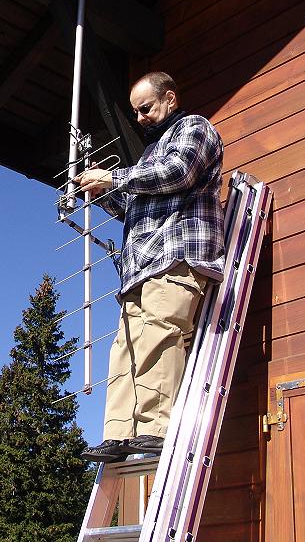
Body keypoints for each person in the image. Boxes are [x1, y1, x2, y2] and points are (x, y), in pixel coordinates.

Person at [75, 72, 225, 463]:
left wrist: (115, 176)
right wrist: (104, 191)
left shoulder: (195, 129)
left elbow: (180, 172)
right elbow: (133, 206)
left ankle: (155, 428)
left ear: (170, 98)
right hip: (141, 266)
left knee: (160, 336)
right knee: (125, 348)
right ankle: (119, 433)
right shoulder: (148, 155)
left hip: (176, 254)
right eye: (135, 111)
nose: (139, 117)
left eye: (145, 108)